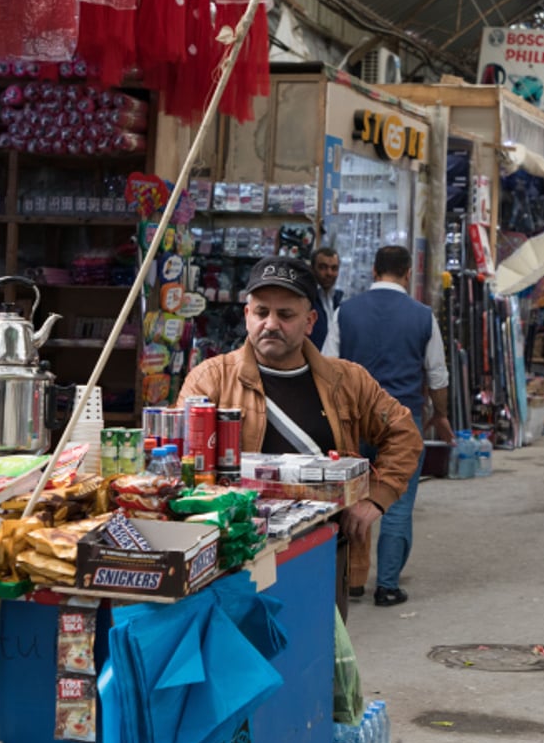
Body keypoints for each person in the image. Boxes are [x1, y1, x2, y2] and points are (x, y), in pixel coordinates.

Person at [178, 256, 423, 609]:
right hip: (236, 562)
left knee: (319, 658)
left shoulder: (347, 380)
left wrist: (376, 498)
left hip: (324, 554)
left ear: (310, 321)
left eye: (286, 315)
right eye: (261, 312)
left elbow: (404, 433)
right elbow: (178, 463)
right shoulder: (210, 380)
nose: (270, 324)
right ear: (247, 315)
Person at [326, 245, 453, 608]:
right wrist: (440, 415)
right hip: (401, 421)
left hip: (352, 420)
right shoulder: (423, 316)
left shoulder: (345, 311)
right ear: (408, 272)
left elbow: (328, 366)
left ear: (374, 271)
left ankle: (349, 581)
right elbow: (438, 373)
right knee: (395, 501)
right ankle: (387, 586)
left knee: (348, 498)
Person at [307, 247, 343, 351]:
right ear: (312, 269)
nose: (329, 273)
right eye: (323, 267)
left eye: (334, 268)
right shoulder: (306, 300)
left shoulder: (338, 300)